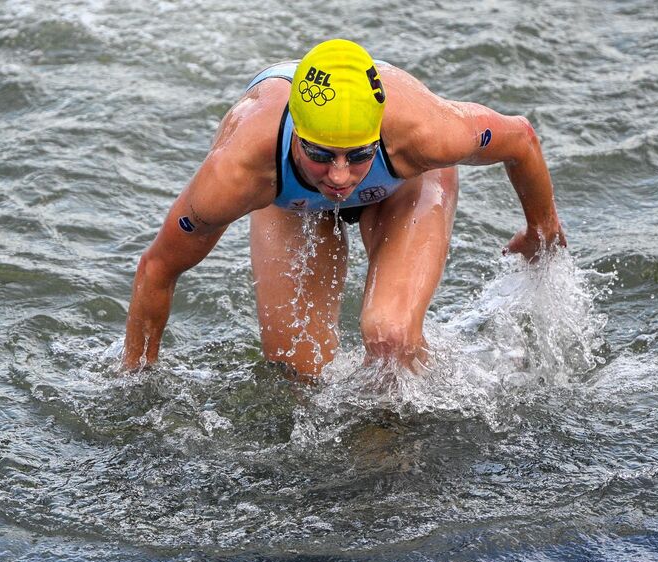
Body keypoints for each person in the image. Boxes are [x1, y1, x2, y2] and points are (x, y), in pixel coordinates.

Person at [123, 39, 566, 377]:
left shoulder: (425, 131)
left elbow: (520, 139)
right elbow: (158, 267)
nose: (339, 177)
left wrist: (540, 231)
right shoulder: (239, 170)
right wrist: (137, 379)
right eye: (321, 155)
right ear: (296, 136)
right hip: (289, 201)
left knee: (391, 339)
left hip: (402, 183)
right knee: (297, 376)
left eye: (356, 156)